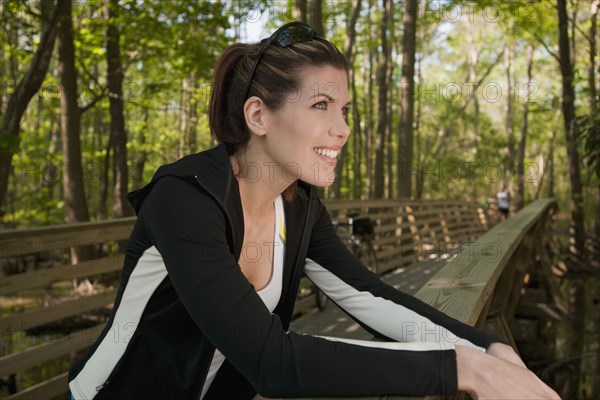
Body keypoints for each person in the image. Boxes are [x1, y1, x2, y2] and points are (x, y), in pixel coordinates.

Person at [67, 22, 560, 400]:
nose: (342, 128)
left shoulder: (299, 205)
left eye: (345, 110)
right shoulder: (184, 198)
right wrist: (461, 368)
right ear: (258, 115)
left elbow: (369, 296)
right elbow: (271, 361)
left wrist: (488, 348)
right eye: (321, 105)